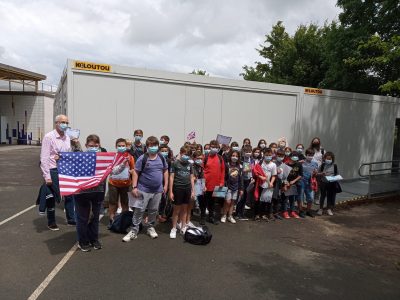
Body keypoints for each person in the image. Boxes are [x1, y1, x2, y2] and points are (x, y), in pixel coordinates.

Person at [123, 136, 168, 242]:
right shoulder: (142, 158)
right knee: (139, 210)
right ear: (147, 146)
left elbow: (165, 170)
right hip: (143, 189)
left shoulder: (161, 157)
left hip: (157, 190)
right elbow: (135, 172)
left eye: (155, 145)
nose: (153, 147)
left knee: (153, 210)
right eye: (151, 145)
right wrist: (134, 187)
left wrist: (165, 185)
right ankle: (134, 229)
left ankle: (150, 227)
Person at [40, 114, 75, 231]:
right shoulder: (49, 137)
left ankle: (71, 219)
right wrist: (47, 176)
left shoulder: (67, 137)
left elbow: (68, 154)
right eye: (63, 122)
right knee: (52, 196)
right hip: (53, 170)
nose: (65, 124)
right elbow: (44, 158)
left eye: (67, 122)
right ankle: (51, 222)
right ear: (57, 123)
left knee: (70, 195)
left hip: (65, 169)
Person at [74, 134, 107, 252]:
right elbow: (68, 161)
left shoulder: (104, 158)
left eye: (96, 145)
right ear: (86, 145)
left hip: (98, 192)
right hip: (82, 193)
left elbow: (113, 169)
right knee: (82, 218)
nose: (93, 147)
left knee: (95, 217)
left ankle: (94, 239)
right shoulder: (79, 157)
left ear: (99, 146)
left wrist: (123, 162)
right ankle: (82, 241)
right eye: (91, 145)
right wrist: (59, 159)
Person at [107, 138, 135, 226]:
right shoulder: (112, 156)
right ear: (116, 146)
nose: (121, 147)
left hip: (126, 184)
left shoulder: (130, 157)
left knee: (125, 203)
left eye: (123, 146)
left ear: (126, 146)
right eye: (119, 146)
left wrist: (131, 172)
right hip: (113, 184)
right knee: (112, 203)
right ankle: (111, 220)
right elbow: (109, 168)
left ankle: (123, 221)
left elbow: (133, 169)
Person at [169, 146, 195, 238]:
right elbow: (171, 177)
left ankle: (183, 226)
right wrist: (171, 191)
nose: (186, 156)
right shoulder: (175, 163)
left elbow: (191, 178)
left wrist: (193, 191)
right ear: (180, 153)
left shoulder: (190, 164)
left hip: (187, 189)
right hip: (177, 188)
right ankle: (174, 228)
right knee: (177, 210)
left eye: (188, 155)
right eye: (184, 154)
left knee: (185, 209)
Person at [203, 140, 225, 225]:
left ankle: (213, 217)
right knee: (206, 201)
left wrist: (222, 182)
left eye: (216, 147)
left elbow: (223, 170)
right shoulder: (205, 157)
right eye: (212, 147)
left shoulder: (220, 158)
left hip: (218, 185)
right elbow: (202, 170)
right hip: (207, 184)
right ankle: (205, 216)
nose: (214, 149)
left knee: (216, 202)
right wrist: (203, 183)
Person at [221, 150, 243, 224]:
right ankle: (224, 215)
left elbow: (241, 178)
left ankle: (230, 216)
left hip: (236, 187)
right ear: (230, 156)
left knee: (233, 202)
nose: (235, 157)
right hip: (228, 187)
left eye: (236, 156)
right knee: (227, 201)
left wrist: (241, 188)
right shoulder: (227, 164)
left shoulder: (240, 166)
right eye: (233, 155)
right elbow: (224, 176)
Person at [317, 152, 339, 216]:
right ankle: (320, 209)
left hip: (331, 184)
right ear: (324, 158)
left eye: (330, 159)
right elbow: (317, 174)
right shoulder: (322, 165)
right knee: (323, 196)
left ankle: (328, 209)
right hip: (323, 183)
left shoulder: (335, 166)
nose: (328, 160)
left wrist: (334, 178)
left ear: (332, 159)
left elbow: (337, 174)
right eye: (327, 159)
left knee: (329, 196)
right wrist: (321, 174)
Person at [236, 145, 253, 220]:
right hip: (242, 180)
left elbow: (252, 170)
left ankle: (242, 213)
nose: (248, 153)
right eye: (246, 152)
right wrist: (243, 170)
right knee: (241, 197)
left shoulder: (251, 160)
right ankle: (237, 213)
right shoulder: (241, 160)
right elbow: (238, 170)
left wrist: (252, 177)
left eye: (249, 152)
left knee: (245, 197)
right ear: (243, 152)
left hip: (249, 180)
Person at [260, 148, 277, 221]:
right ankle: (261, 214)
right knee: (261, 200)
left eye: (270, 155)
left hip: (269, 185)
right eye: (266, 155)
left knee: (268, 199)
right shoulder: (261, 163)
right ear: (264, 155)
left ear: (272, 155)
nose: (268, 156)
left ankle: (268, 213)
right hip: (261, 184)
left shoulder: (273, 164)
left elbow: (274, 175)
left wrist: (271, 183)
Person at [285, 151, 303, 218]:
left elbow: (300, 175)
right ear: (290, 157)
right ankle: (285, 212)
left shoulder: (299, 164)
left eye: (296, 156)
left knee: (292, 198)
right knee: (285, 198)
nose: (295, 157)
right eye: (293, 156)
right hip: (286, 183)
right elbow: (284, 174)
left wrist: (294, 181)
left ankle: (292, 212)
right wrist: (286, 182)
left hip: (294, 184)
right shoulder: (286, 164)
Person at [301, 148, 319, 217]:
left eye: (312, 155)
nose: (310, 156)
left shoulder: (315, 163)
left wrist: (315, 173)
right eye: (309, 155)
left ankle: (308, 211)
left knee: (310, 198)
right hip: (302, 181)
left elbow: (315, 174)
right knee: (300, 198)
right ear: (306, 155)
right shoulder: (302, 162)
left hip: (310, 183)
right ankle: (301, 211)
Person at [192, 150, 205, 224]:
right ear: (194, 158)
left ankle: (202, 217)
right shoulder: (190, 166)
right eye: (198, 158)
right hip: (191, 186)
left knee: (202, 201)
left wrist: (204, 186)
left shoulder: (201, 167)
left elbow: (202, 177)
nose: (200, 160)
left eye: (201, 158)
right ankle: (189, 215)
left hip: (199, 186)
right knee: (190, 202)